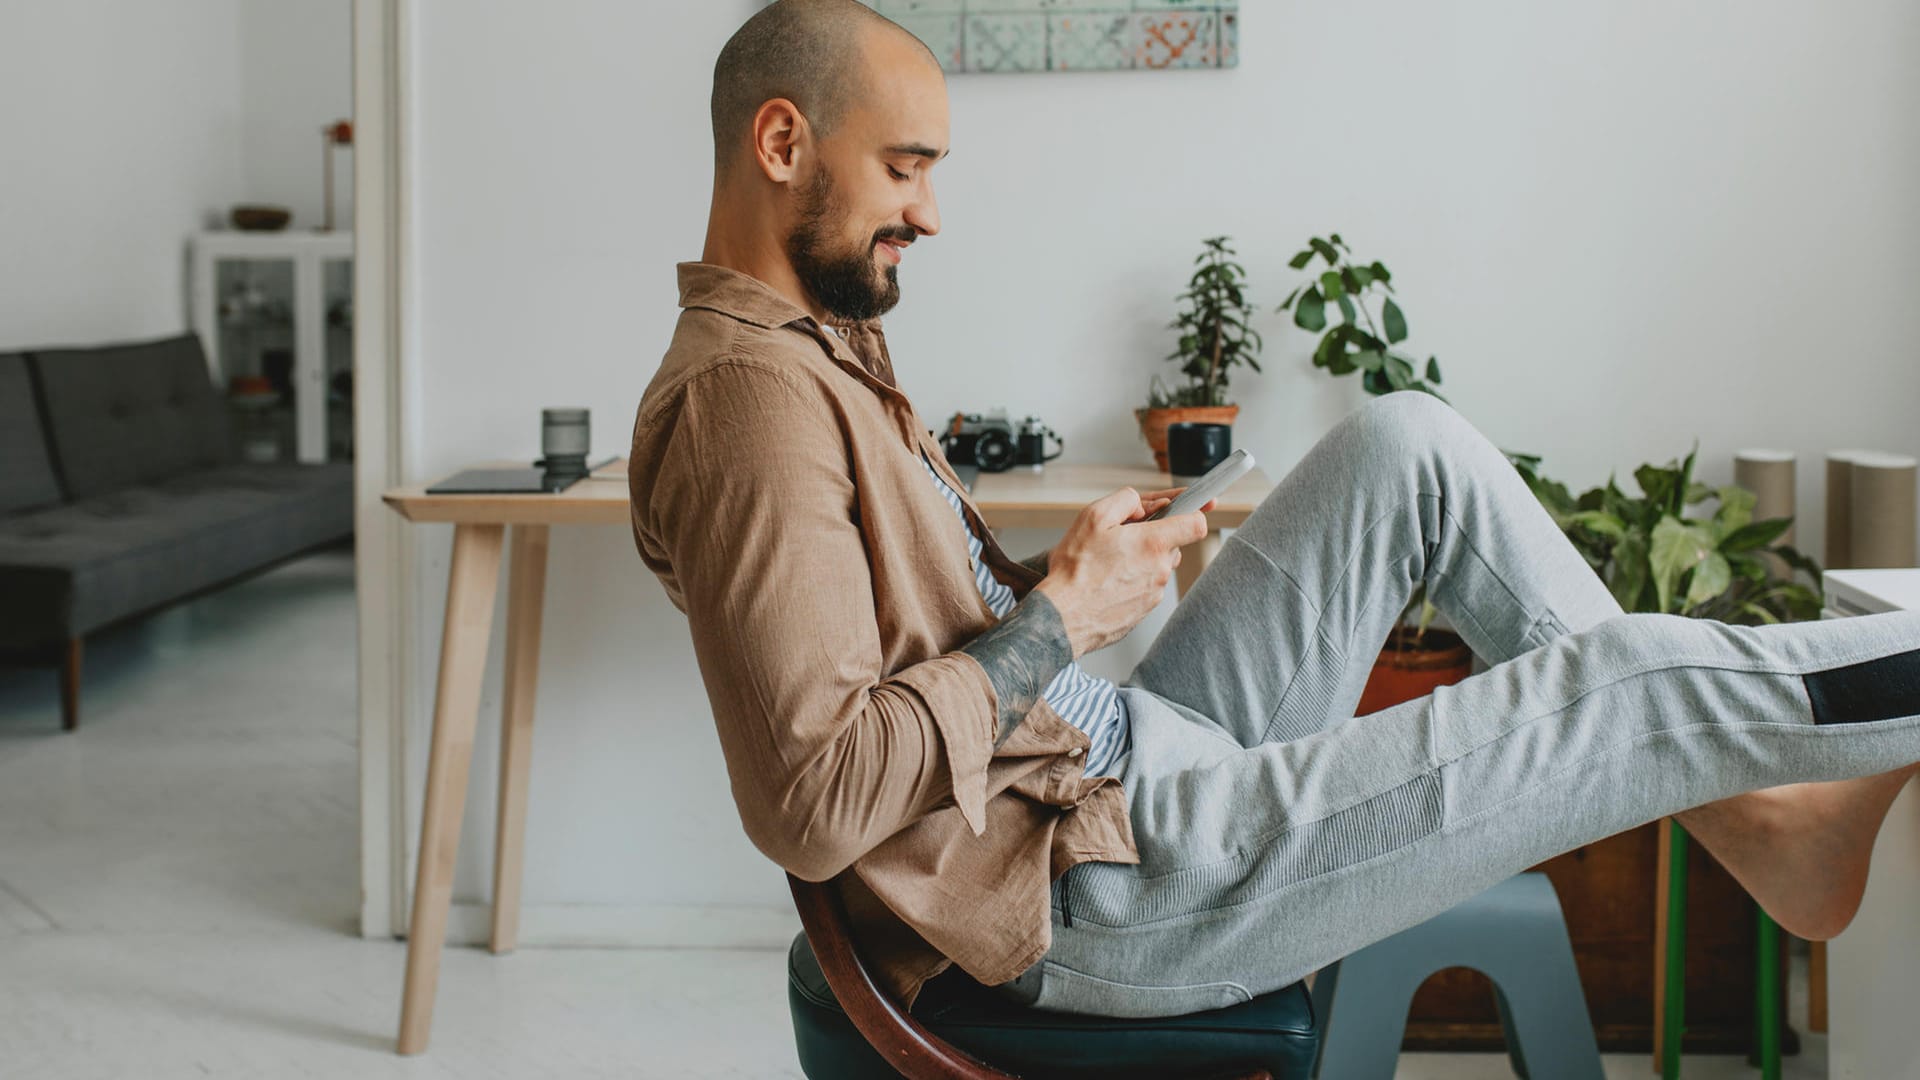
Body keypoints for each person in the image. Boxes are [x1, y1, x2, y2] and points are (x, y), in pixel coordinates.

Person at [627, 0, 1920, 1018]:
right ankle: (1779, 795)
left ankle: (1758, 822)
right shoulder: (749, 398)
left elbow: (901, 644)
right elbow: (811, 797)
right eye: (905, 167)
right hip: (1092, 888)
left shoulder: (817, 350)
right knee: (1635, 673)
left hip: (1115, 759)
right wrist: (1062, 623)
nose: (931, 209)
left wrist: (1064, 580)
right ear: (783, 142)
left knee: (1407, 446)